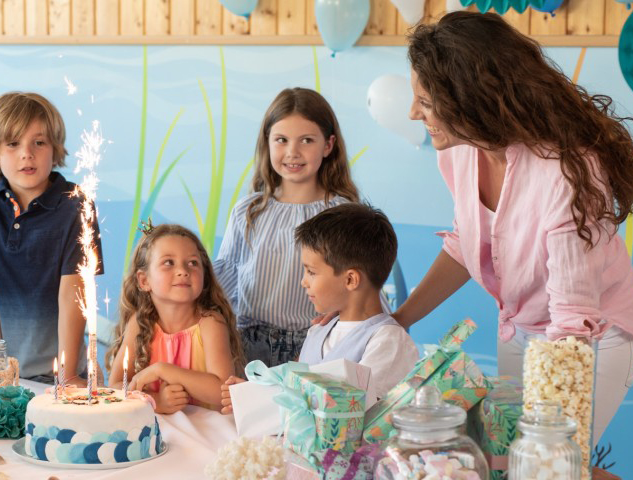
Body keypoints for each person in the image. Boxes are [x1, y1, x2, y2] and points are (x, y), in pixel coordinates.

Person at [399, 11, 633, 445]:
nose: (411, 114)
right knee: (507, 455)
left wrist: (547, 440)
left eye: (425, 103)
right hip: (521, 327)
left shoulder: (567, 173)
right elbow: (468, 244)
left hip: (592, 336)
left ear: (470, 98)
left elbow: (573, 319)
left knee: (548, 458)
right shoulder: (461, 151)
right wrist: (398, 319)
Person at [220, 204, 417, 413]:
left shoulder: (388, 341)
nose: (303, 282)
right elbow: (294, 387)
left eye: (311, 272)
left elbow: (354, 411)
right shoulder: (319, 330)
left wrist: (262, 402)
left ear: (350, 279)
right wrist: (252, 393)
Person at [213, 87, 361, 367]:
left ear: (328, 145)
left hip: (315, 346)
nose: (292, 152)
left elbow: (359, 285)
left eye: (307, 140)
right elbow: (226, 276)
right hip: (248, 346)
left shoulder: (343, 213)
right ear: (267, 143)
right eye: (281, 140)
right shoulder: (249, 210)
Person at [0, 91, 103, 384]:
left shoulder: (76, 205)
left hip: (56, 375)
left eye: (39, 143)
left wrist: (67, 377)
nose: (26, 154)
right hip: (5, 374)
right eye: (13, 144)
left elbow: (74, 292)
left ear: (55, 149)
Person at [106, 224, 244, 414]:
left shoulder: (211, 323)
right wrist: (156, 401)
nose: (183, 271)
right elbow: (114, 386)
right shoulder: (139, 323)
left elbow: (224, 393)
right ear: (144, 280)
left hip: (207, 433)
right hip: (156, 431)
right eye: (169, 262)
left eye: (193, 263)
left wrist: (164, 370)